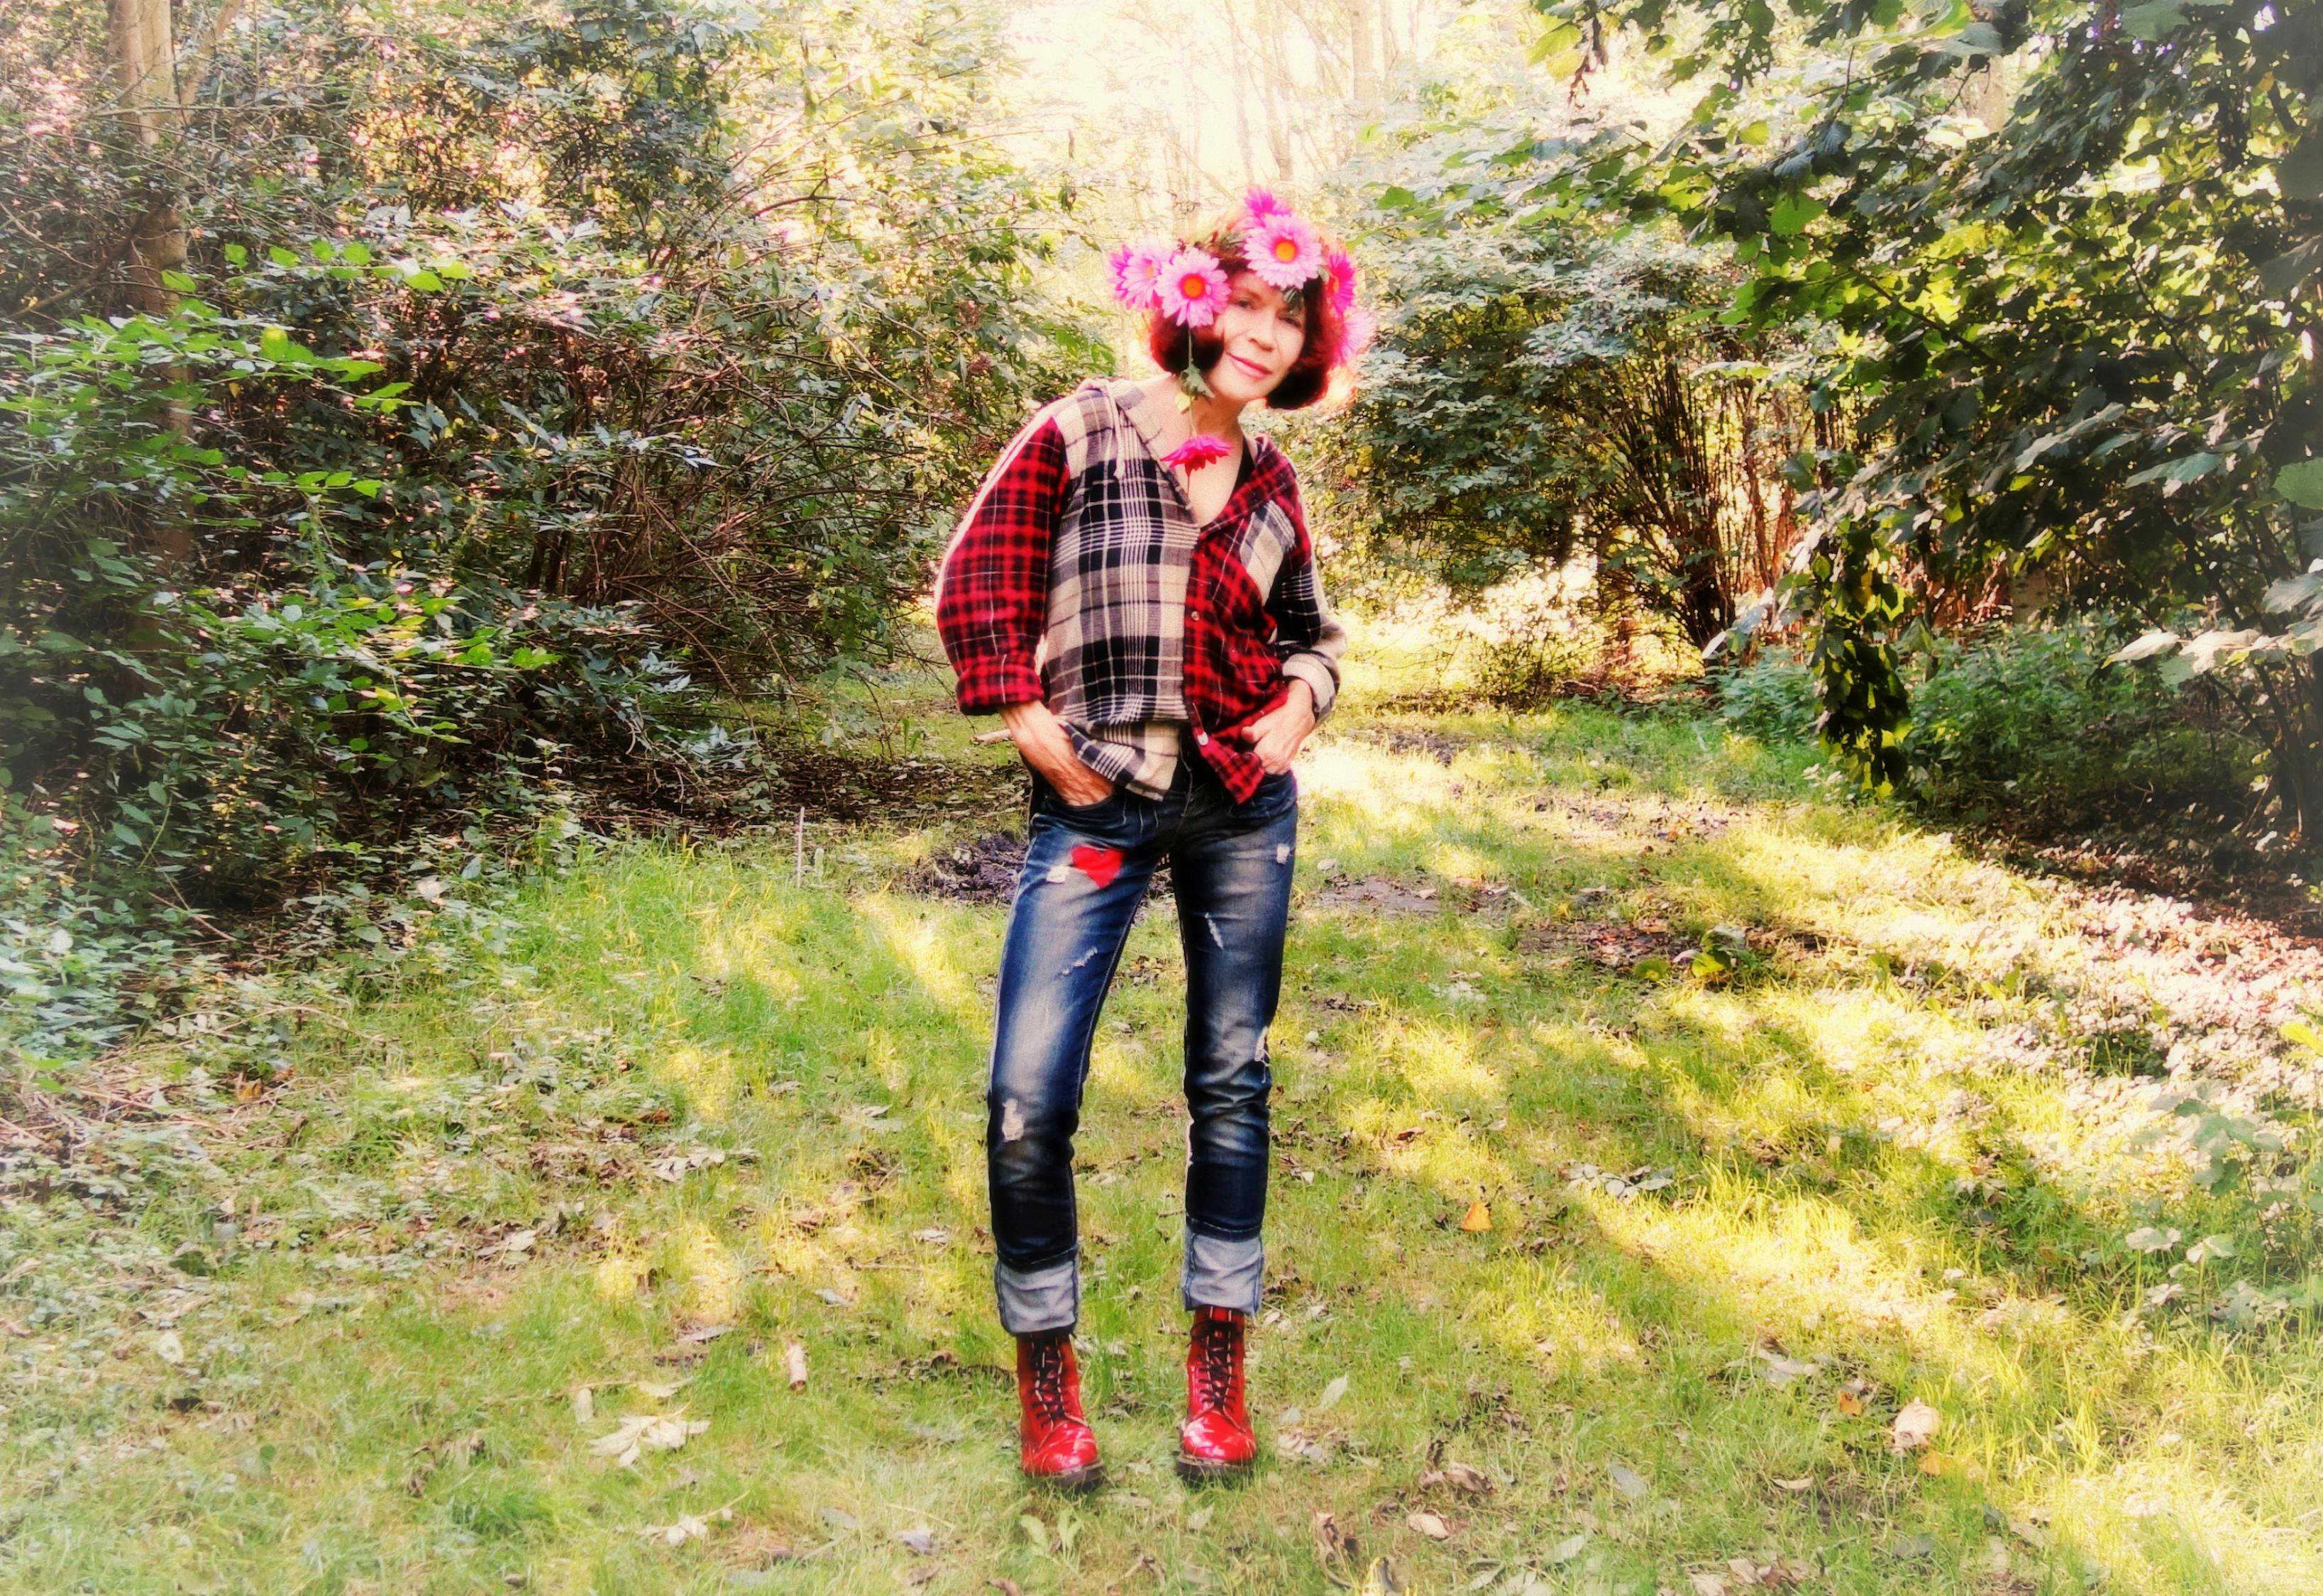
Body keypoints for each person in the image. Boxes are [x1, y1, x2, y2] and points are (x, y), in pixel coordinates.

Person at [933, 190, 1367, 1489]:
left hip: (1239, 803)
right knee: (1027, 1099)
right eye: (1247, 306)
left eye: (1289, 321)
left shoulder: (1275, 483)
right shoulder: (1083, 428)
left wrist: (1298, 707)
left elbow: (1313, 635)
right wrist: (1025, 717)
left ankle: (1216, 1372)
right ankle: (1048, 1383)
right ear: (1196, 304)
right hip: (1098, 800)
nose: (1264, 335)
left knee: (1230, 1081)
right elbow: (977, 574)